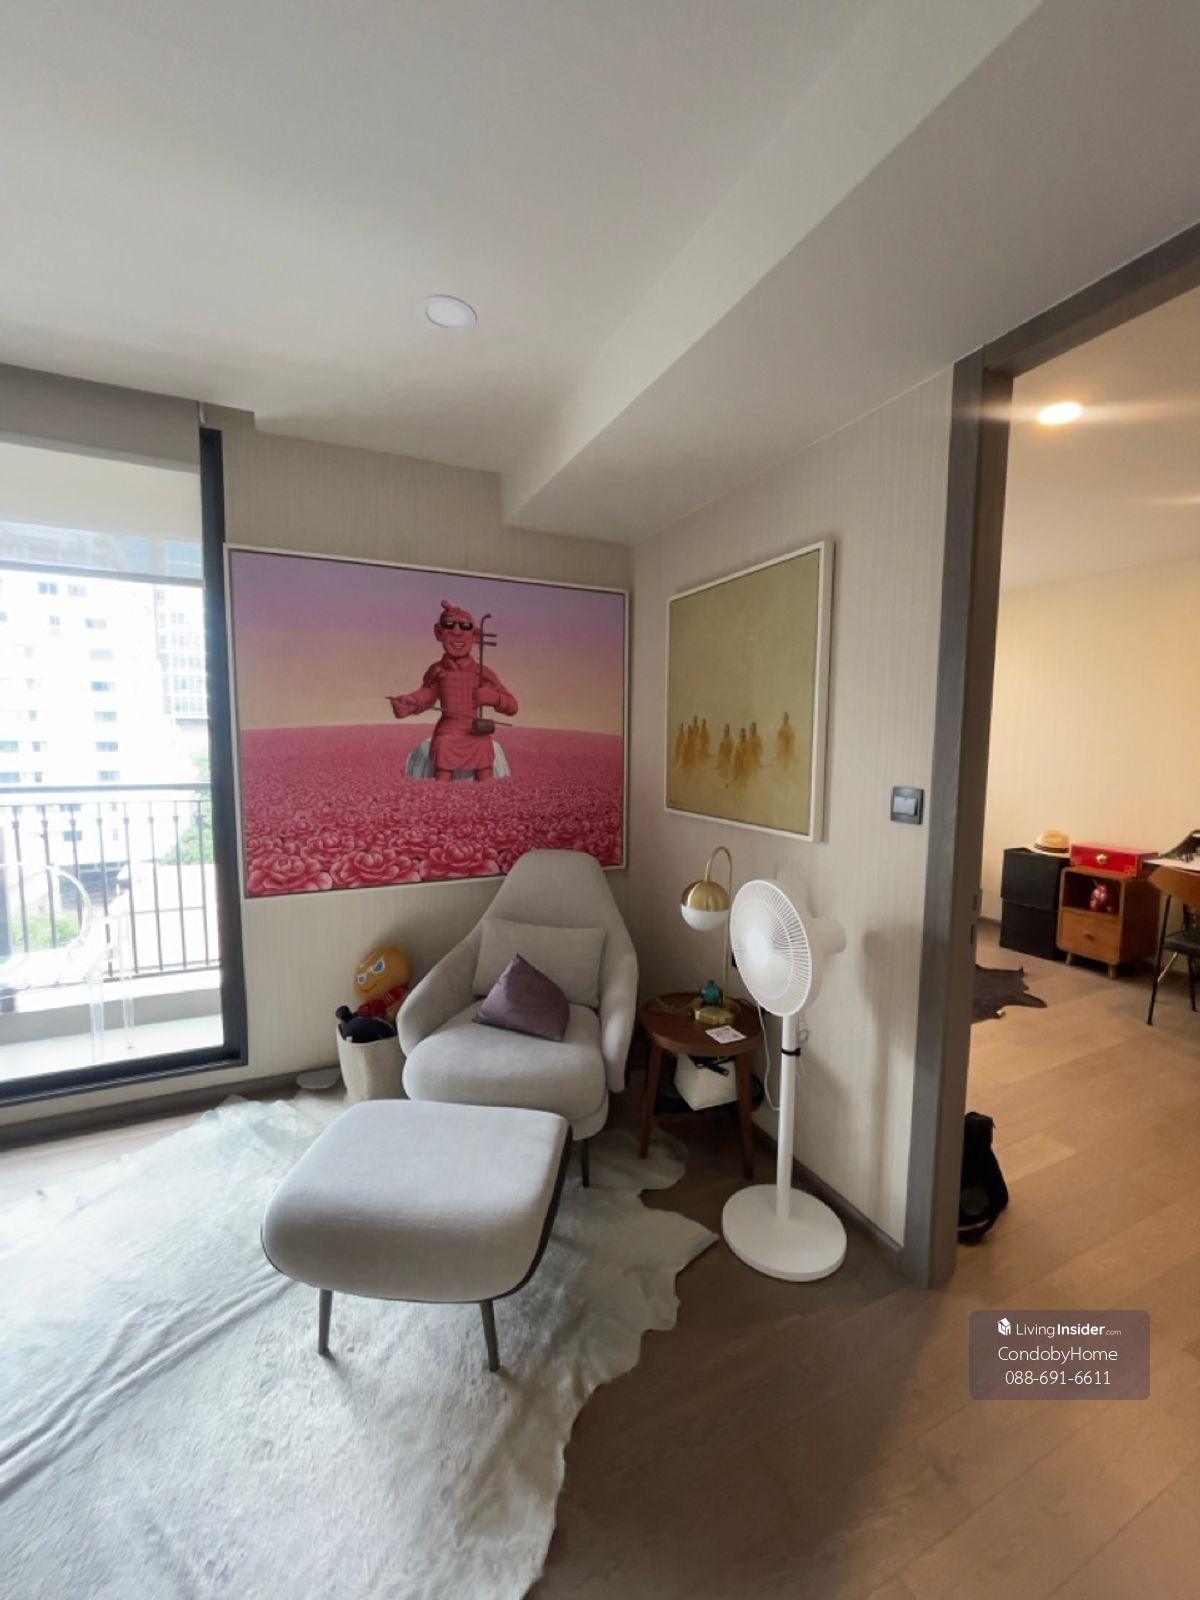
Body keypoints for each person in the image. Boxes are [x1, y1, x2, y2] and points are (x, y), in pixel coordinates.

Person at [389, 600, 517, 781]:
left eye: (465, 626)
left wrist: (495, 698)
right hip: (448, 730)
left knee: (484, 754)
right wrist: (410, 702)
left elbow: (512, 706)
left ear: (474, 636)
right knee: (443, 747)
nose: (457, 632)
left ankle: (488, 796)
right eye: (449, 625)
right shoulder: (437, 671)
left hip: (475, 730)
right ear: (438, 632)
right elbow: (428, 695)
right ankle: (442, 796)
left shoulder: (482, 672)